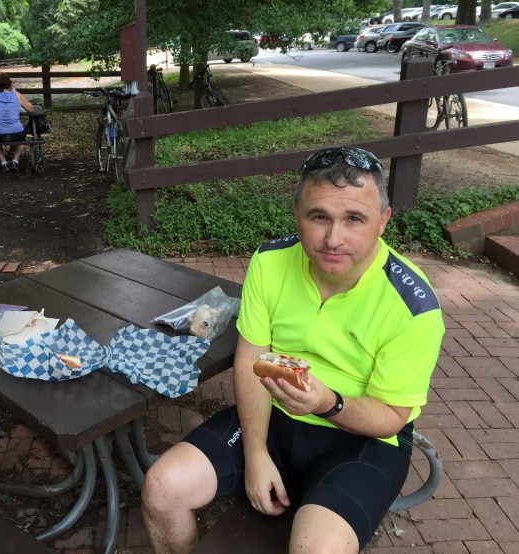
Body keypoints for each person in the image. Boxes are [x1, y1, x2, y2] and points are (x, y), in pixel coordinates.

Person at [141, 147, 445, 553]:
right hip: (272, 417)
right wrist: (255, 454)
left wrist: (328, 403)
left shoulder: (414, 306)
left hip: (363, 440)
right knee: (162, 489)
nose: (333, 239)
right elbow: (251, 359)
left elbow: (391, 418)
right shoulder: (270, 262)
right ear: (297, 213)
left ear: (383, 220)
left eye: (354, 219)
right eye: (319, 217)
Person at [0, 72, 34, 173]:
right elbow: (31, 109)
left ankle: (4, 163)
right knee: (23, 139)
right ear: (10, 83)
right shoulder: (16, 95)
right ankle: (15, 161)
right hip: (17, 133)